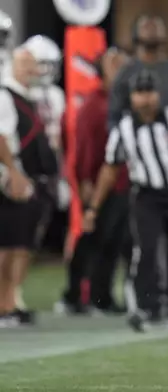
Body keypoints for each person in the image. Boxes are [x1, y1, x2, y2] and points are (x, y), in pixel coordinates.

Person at [84, 69, 168, 332]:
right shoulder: (124, 128)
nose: (145, 99)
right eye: (140, 93)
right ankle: (142, 307)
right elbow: (110, 169)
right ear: (131, 97)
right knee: (146, 250)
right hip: (147, 196)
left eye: (149, 92)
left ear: (158, 94)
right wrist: (94, 208)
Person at [108, 14, 168, 318]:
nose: (151, 30)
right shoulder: (125, 74)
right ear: (134, 34)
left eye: (155, 25)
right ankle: (146, 304)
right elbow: (114, 122)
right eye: (145, 25)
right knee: (144, 247)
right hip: (142, 178)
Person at [56, 47, 129, 315]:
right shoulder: (94, 104)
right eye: (115, 64)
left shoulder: (122, 100)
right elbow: (85, 148)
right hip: (99, 183)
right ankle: (74, 295)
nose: (122, 68)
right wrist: (85, 181)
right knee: (92, 239)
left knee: (112, 241)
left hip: (122, 181)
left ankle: (102, 296)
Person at [0, 47, 57, 327]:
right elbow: (2, 137)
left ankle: (11, 300)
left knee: (22, 244)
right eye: (22, 63)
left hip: (31, 178)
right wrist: (13, 172)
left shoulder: (30, 97)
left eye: (30, 64)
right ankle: (4, 303)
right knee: (8, 245)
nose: (27, 69)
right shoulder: (5, 96)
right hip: (14, 179)